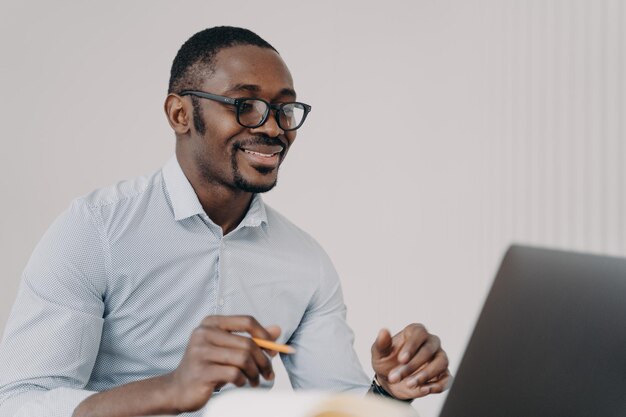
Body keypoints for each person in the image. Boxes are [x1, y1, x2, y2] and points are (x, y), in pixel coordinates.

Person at [0, 26, 451, 417]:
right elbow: (19, 403)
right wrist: (170, 390)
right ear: (180, 114)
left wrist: (389, 392)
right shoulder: (94, 230)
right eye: (245, 105)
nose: (273, 128)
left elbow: (338, 404)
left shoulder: (306, 262)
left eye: (284, 110)